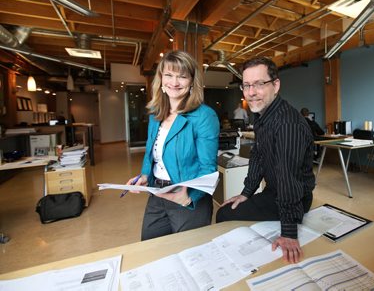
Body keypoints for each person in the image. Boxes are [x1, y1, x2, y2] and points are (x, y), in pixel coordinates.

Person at [216, 57, 316, 264]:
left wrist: (289, 232)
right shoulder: (263, 116)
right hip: (274, 191)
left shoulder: (288, 123)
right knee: (230, 210)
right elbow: (259, 157)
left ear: (275, 85)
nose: (251, 92)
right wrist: (246, 193)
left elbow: (289, 178)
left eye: (260, 84)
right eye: (246, 85)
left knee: (225, 215)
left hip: (294, 197)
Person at [127, 50, 219, 241]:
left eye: (182, 77)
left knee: (189, 256)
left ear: (192, 81)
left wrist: (189, 197)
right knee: (150, 248)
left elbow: (208, 168)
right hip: (157, 193)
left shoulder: (204, 116)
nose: (174, 82)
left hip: (187, 198)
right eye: (168, 75)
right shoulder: (156, 113)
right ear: (160, 79)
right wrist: (144, 176)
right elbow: (150, 152)